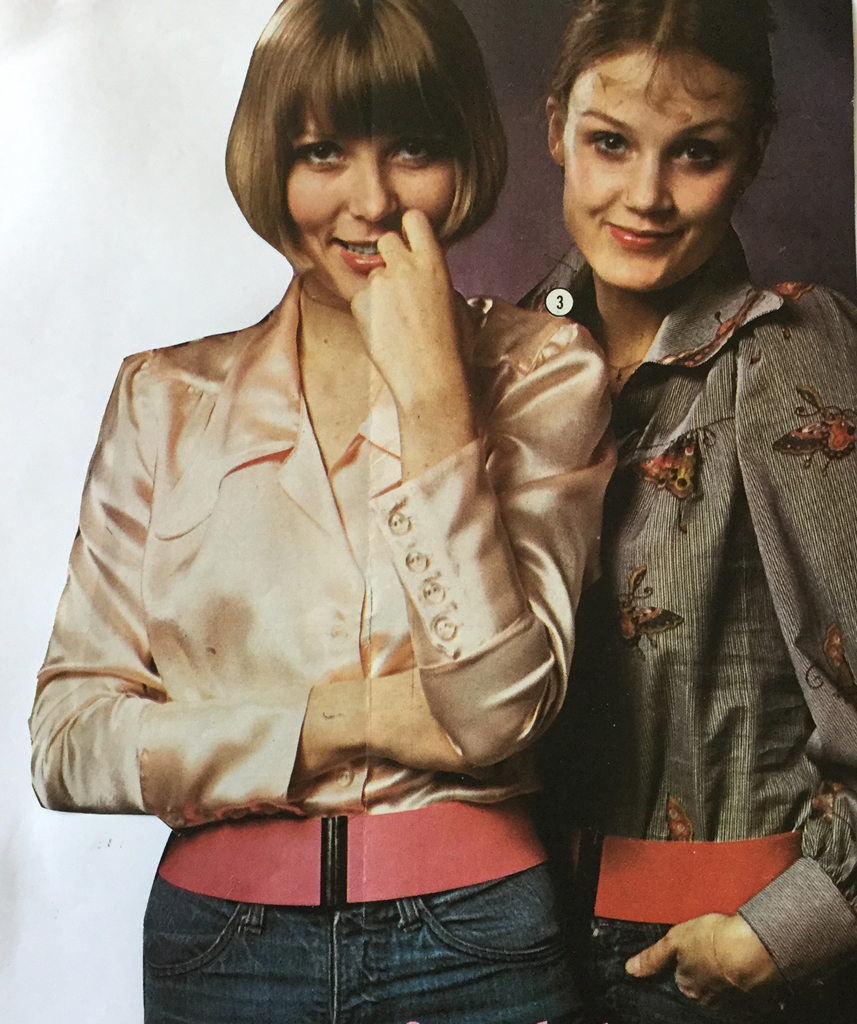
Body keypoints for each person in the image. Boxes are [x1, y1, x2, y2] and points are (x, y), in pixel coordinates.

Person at [29, 1, 613, 1022]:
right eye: (322, 152)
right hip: (221, 947)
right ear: (270, 160)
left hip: (475, 938)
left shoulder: (544, 372)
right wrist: (350, 721)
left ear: (464, 157)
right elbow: (67, 742)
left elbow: (496, 711)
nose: (371, 200)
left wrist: (433, 403)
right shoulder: (163, 400)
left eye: (413, 149)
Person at [523, 0, 857, 1021]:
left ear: (752, 152)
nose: (645, 195)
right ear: (555, 130)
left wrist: (786, 927)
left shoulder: (789, 351)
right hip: (505, 945)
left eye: (695, 153)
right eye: (609, 143)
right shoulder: (504, 358)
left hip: (708, 956)